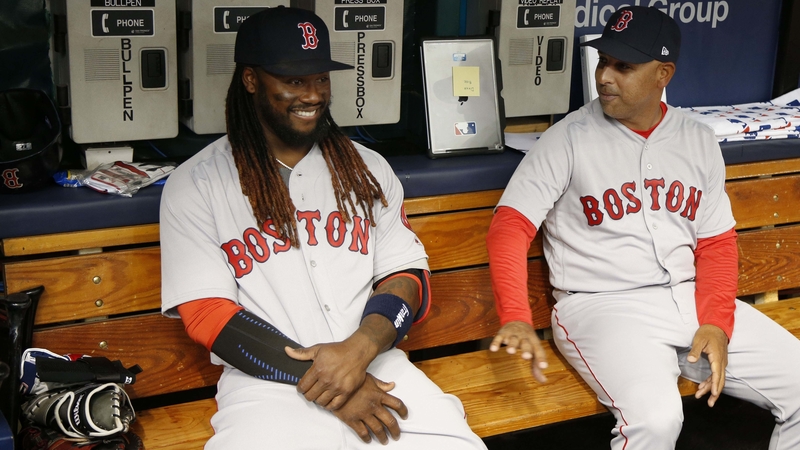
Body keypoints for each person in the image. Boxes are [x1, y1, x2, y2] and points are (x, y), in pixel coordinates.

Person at [159, 7, 487, 449]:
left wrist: (360, 350)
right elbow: (207, 316)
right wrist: (332, 381)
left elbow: (408, 279)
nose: (312, 93)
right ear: (252, 80)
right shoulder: (197, 183)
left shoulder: (367, 168)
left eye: (321, 78)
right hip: (266, 384)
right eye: (293, 80)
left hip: (379, 366)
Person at [485, 6, 800, 450]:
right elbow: (509, 227)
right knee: (654, 419)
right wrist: (516, 316)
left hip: (688, 300)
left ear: (663, 74)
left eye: (624, 66)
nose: (604, 77)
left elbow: (715, 244)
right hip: (601, 307)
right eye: (603, 61)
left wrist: (715, 323)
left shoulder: (697, 140)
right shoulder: (567, 139)